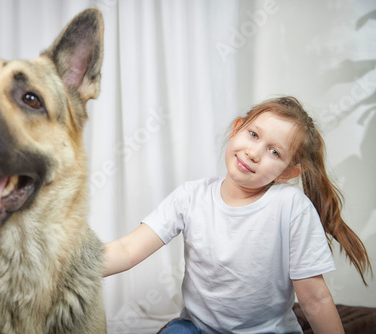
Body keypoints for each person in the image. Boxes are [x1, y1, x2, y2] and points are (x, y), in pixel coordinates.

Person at [104, 96, 372, 334]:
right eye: (253, 135)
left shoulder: (291, 207)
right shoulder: (191, 196)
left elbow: (315, 299)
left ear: (286, 173)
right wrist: (66, 267)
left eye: (274, 152)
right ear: (236, 129)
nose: (253, 153)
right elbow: (128, 250)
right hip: (197, 327)